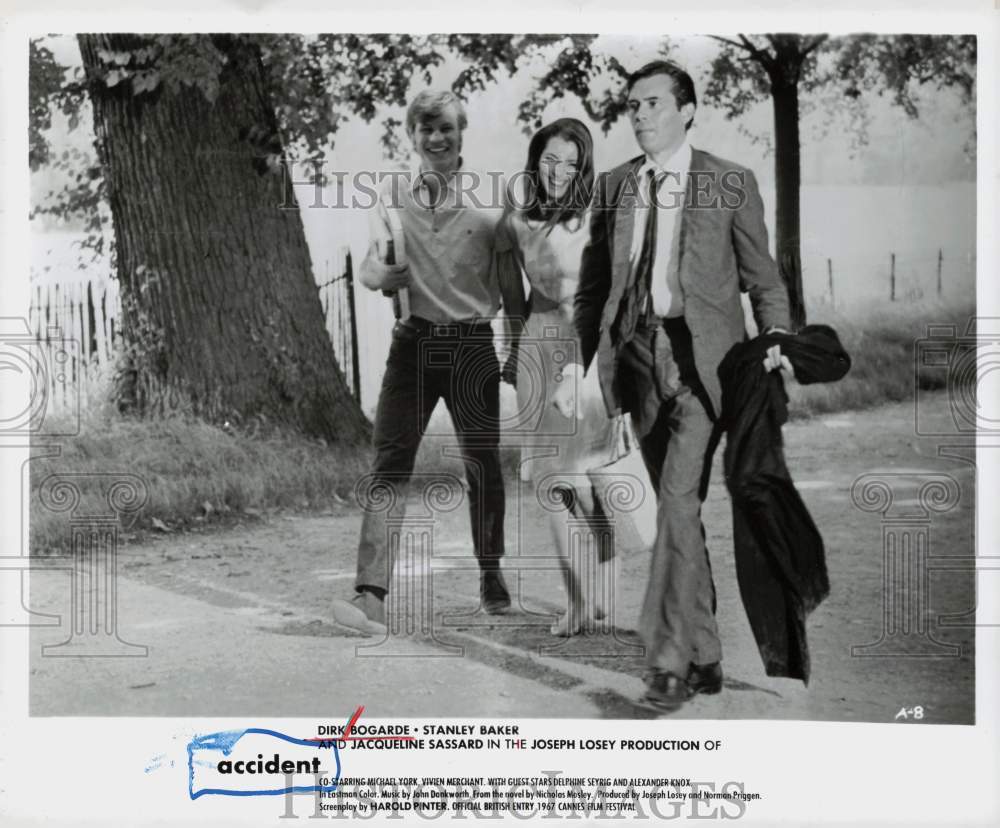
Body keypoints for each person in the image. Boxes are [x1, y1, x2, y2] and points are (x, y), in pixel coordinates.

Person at [554, 60, 792, 711]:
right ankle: (708, 653)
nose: (639, 114)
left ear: (687, 111)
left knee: (678, 505)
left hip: (705, 372)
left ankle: (667, 665)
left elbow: (763, 280)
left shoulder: (729, 182)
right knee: (673, 511)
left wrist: (775, 342)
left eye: (652, 103)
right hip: (637, 369)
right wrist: (582, 364)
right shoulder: (614, 188)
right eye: (632, 106)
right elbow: (595, 289)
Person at [332, 90, 509, 636]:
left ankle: (491, 572)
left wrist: (525, 347)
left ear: (461, 135)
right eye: (426, 130)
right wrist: (377, 279)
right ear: (412, 137)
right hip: (412, 344)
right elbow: (371, 263)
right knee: (390, 465)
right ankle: (371, 595)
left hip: (473, 344)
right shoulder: (390, 199)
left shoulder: (491, 204)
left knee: (483, 463)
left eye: (446, 129)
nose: (436, 139)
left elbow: (516, 282)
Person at [495, 118, 615, 636]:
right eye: (550, 159)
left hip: (586, 351)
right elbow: (512, 303)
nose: (559, 171)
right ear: (535, 159)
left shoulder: (599, 217)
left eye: (570, 161)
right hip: (539, 348)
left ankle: (607, 581)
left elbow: (614, 294)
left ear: (583, 166)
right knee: (553, 483)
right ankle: (576, 600)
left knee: (592, 477)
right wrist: (511, 356)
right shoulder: (516, 221)